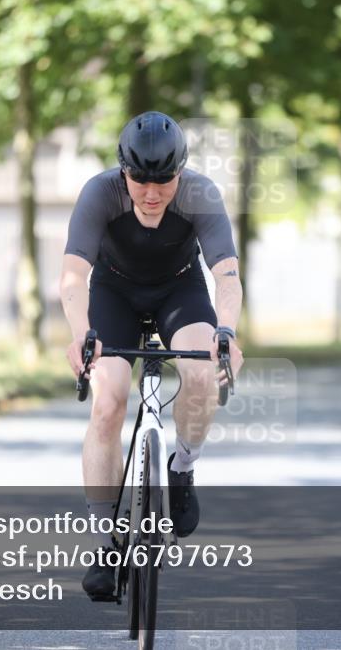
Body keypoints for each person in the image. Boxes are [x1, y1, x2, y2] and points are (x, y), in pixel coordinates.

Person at [59, 112, 244, 599]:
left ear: (180, 172)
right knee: (108, 402)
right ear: (124, 171)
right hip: (113, 295)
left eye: (164, 179)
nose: (152, 192)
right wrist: (82, 334)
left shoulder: (201, 195)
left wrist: (225, 332)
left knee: (202, 375)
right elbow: (74, 277)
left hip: (178, 292)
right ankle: (106, 544)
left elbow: (226, 275)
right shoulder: (99, 193)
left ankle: (182, 467)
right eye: (140, 179)